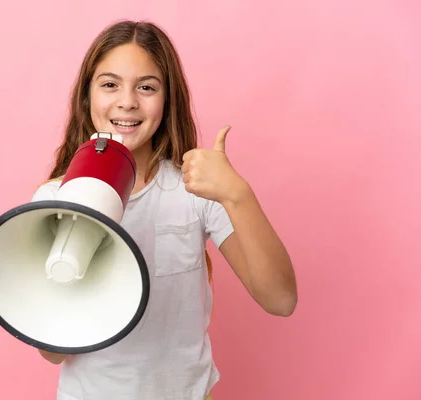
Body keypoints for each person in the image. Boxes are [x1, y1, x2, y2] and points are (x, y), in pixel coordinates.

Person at [30, 19, 298, 400]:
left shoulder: (196, 190)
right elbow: (51, 352)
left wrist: (237, 194)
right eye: (109, 84)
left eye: (146, 87)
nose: (127, 101)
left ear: (167, 99)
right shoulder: (55, 202)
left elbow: (281, 300)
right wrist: (80, 244)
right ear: (87, 98)